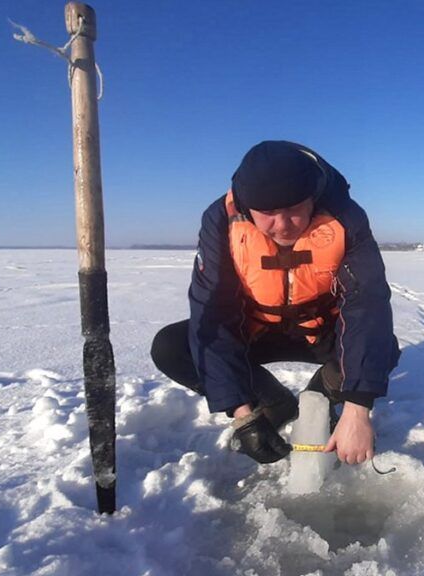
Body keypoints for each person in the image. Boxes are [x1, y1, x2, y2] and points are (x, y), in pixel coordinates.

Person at [151, 140, 401, 466]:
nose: (282, 226)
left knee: (383, 346)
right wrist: (242, 414)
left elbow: (366, 303)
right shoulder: (220, 219)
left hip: (320, 332)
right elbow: (212, 314)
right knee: (172, 347)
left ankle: (321, 397)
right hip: (255, 329)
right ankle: (272, 401)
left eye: (294, 210)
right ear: (246, 207)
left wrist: (357, 407)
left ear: (312, 198)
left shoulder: (346, 216)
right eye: (268, 214)